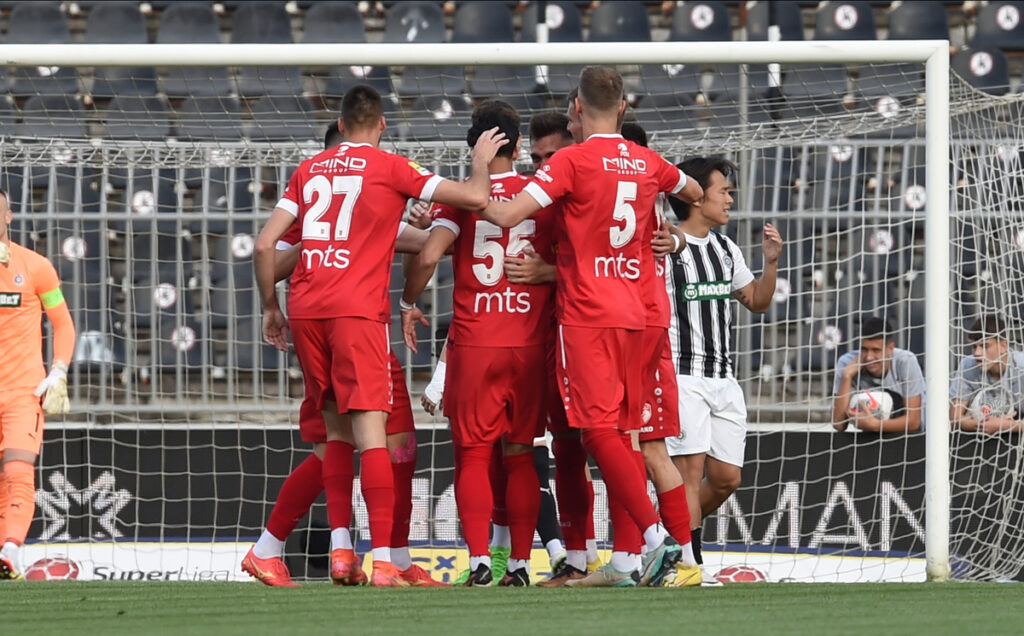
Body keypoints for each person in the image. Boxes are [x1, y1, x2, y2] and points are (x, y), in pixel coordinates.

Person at [254, 84, 506, 587]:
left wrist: (270, 309)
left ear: (341, 127)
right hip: (357, 318)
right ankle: (384, 560)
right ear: (382, 125)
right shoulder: (389, 170)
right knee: (373, 439)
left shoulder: (310, 173)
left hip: (308, 313)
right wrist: (480, 161)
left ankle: (349, 553)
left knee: (345, 438)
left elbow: (263, 246)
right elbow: (476, 199)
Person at [472, 66, 704, 588]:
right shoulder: (648, 161)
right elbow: (691, 189)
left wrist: (479, 172)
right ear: (622, 108)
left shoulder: (571, 162)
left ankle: (655, 539)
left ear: (576, 107)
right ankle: (632, 558)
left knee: (597, 432)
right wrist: (673, 234)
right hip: (636, 316)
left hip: (587, 316)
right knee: (623, 434)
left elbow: (507, 217)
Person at [241, 122, 446, 588]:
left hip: (358, 333)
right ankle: (285, 547)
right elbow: (275, 256)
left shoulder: (360, 195)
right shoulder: (315, 202)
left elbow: (416, 244)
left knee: (399, 446)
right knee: (334, 450)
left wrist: (434, 232)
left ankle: (389, 555)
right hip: (335, 332)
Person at [402, 100, 553, 586]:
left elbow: (426, 256)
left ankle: (482, 562)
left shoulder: (464, 197)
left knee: (471, 456)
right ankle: (524, 566)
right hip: (530, 343)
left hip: (476, 341)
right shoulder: (541, 192)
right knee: (520, 453)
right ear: (518, 143)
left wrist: (407, 303)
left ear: (476, 143)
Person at [663, 157, 782, 584]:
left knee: (727, 478)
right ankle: (688, 566)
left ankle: (668, 538)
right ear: (694, 196)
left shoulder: (725, 248)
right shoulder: (664, 247)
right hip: (682, 375)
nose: (731, 198)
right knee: (690, 476)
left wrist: (770, 263)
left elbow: (757, 301)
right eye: (724, 191)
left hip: (724, 379)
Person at [0, 189, 75, 579]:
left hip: (22, 392)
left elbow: (62, 324)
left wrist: (58, 370)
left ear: (9, 217)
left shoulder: (36, 266)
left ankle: (11, 549)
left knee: (18, 471)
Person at [832, 316, 925, 433]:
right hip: (869, 438)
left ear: (890, 349)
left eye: (876, 350)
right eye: (864, 349)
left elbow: (914, 422)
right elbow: (839, 424)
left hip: (911, 438)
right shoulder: (847, 362)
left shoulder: (905, 361)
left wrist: (875, 425)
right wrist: (847, 376)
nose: (869, 357)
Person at [951, 315, 1024, 433]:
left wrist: (1004, 425)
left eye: (985, 346)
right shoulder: (968, 365)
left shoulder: (1021, 367)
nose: (977, 353)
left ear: (1003, 346)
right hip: (979, 442)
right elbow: (955, 417)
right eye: (974, 347)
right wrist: (982, 424)